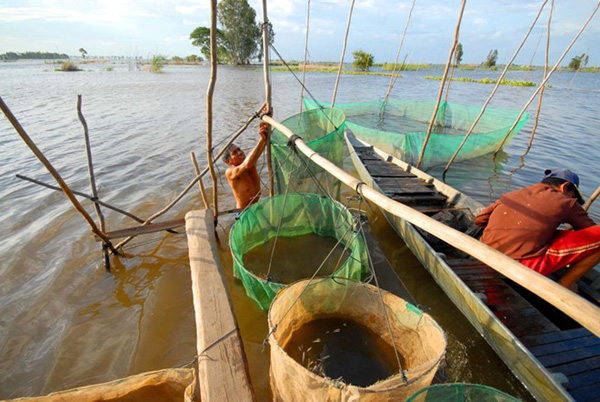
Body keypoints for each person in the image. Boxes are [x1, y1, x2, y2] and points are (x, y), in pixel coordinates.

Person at [474, 168, 600, 290]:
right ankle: (564, 285)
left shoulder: (513, 194)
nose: (574, 200)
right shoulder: (567, 202)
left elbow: (480, 219)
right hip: (522, 264)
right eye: (574, 196)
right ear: (565, 187)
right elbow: (593, 235)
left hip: (485, 251)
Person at [223, 121, 270, 210]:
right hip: (243, 211)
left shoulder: (249, 160)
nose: (240, 152)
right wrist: (261, 140)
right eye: (235, 153)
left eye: (239, 149)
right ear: (228, 162)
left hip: (255, 206)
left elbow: (260, 148)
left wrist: (266, 127)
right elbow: (246, 165)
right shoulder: (230, 172)